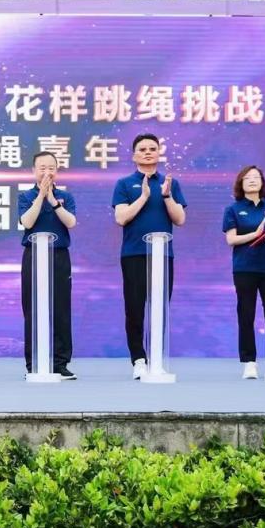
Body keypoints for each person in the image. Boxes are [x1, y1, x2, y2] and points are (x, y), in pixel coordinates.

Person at [111, 133, 187, 379]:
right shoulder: (124, 184)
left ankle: (157, 358)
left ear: (159, 153)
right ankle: (138, 360)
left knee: (160, 307)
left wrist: (166, 196)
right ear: (134, 155)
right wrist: (143, 197)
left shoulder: (169, 183)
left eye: (152, 149)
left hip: (163, 255)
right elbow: (121, 218)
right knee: (134, 308)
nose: (147, 152)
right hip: (134, 253)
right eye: (142, 149)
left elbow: (180, 219)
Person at [222, 166, 265, 379]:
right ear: (241, 183)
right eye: (247, 178)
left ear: (262, 182)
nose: (252, 180)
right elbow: (231, 239)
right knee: (246, 314)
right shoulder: (233, 209)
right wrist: (256, 234)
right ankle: (249, 362)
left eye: (256, 177)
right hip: (244, 268)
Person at [18, 151, 77, 379]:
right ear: (33, 171)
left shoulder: (65, 196)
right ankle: (33, 362)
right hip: (33, 255)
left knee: (61, 309)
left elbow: (71, 222)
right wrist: (41, 196)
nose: (46, 172)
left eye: (51, 168)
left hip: (59, 255)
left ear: (57, 171)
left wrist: (52, 200)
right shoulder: (25, 196)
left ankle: (60, 363)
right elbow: (27, 222)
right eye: (42, 168)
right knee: (32, 309)